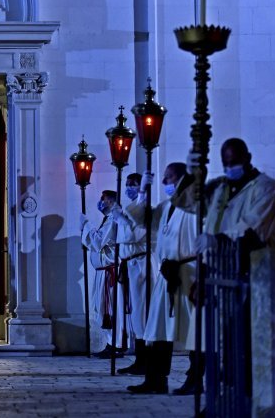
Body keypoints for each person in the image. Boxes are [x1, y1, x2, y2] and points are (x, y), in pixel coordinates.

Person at [175, 138, 275, 396]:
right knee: (218, 341)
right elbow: (189, 203)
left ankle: (243, 400)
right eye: (225, 163)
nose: (230, 167)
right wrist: (192, 175)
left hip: (251, 273)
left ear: (248, 157)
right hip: (219, 274)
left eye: (234, 162)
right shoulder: (220, 187)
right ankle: (221, 400)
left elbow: (254, 228)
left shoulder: (267, 187)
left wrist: (218, 240)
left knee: (242, 343)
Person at [121, 163, 198, 394]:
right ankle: (155, 379)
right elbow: (143, 220)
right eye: (163, 178)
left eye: (169, 177)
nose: (165, 182)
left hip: (188, 273)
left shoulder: (195, 207)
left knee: (195, 330)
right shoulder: (166, 206)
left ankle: (196, 378)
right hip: (167, 273)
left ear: (183, 179)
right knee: (157, 329)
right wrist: (143, 191)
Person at [110, 172, 155, 376]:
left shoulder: (144, 210)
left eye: (132, 184)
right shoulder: (130, 211)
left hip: (141, 264)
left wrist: (121, 219)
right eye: (126, 184)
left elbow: (133, 235)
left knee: (142, 313)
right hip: (130, 265)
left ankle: (146, 359)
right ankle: (140, 358)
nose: (128, 187)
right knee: (135, 313)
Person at [80, 190, 131, 359]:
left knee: (111, 309)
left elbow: (98, 241)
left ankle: (116, 345)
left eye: (103, 199)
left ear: (110, 201)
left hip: (111, 272)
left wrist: (86, 226)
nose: (100, 202)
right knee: (103, 309)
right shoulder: (107, 220)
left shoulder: (113, 220)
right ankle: (111, 343)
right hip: (103, 272)